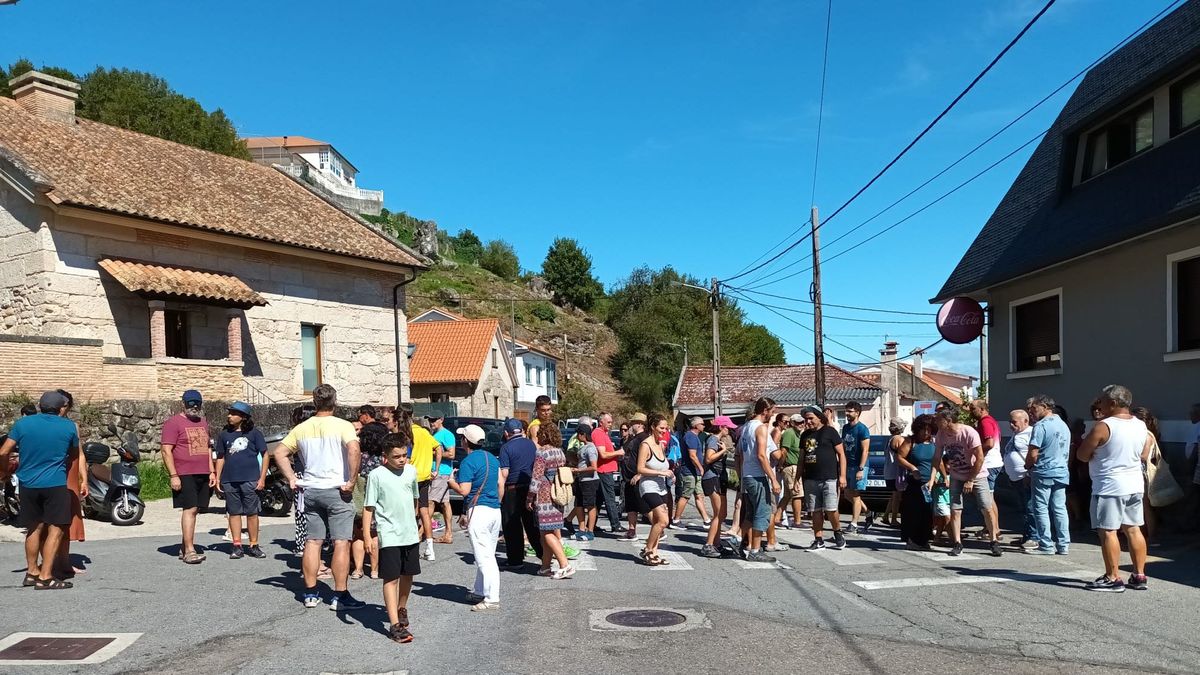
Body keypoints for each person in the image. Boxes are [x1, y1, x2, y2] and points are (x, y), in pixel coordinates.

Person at [273, 384, 365, 611]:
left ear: (315, 403)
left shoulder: (302, 428)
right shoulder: (343, 425)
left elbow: (279, 452)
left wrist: (292, 478)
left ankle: (311, 592)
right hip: (337, 489)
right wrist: (351, 481)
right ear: (335, 401)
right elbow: (354, 450)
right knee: (341, 542)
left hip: (311, 490)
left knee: (313, 542)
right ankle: (339, 594)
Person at [0, 391, 81, 589]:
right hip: (54, 484)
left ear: (40, 406)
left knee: (33, 528)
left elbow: (3, 451)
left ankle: (31, 572)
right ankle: (46, 576)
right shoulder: (68, 426)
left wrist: (4, 472)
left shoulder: (23, 424)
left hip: (28, 484)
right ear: (61, 407)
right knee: (57, 528)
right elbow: (73, 455)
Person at [1077, 385, 1152, 592]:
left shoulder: (1104, 426)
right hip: (1134, 484)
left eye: (1102, 401)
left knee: (1108, 531)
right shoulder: (1140, 425)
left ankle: (1113, 577)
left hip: (1109, 485)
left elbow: (1082, 455)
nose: (1099, 405)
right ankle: (1139, 574)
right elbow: (1144, 454)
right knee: (1134, 529)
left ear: (1113, 403)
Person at [363, 434, 421, 643]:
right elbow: (368, 507)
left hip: (410, 533)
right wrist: (368, 536)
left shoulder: (411, 471)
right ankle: (394, 625)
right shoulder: (376, 475)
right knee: (391, 578)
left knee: (409, 574)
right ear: (385, 456)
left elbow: (415, 498)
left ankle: (402, 607)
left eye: (404, 455)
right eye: (396, 456)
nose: (402, 460)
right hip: (389, 534)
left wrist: (417, 523)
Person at [929, 408, 1001, 557]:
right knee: (955, 510)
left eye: (938, 420)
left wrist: (971, 479)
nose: (935, 422)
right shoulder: (941, 434)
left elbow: (980, 457)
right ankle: (957, 543)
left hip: (977, 474)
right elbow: (937, 458)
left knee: (986, 508)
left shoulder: (968, 432)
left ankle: (994, 541)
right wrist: (932, 479)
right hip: (956, 475)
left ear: (948, 421)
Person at [449, 424, 502, 610]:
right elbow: (500, 485)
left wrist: (451, 482)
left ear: (465, 441)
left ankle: (491, 598)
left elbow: (464, 490)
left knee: (484, 557)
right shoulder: (492, 459)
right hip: (495, 510)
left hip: (479, 510)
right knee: (488, 553)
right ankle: (480, 590)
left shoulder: (468, 462)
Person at [161, 389, 215, 565]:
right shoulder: (173, 423)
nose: (194, 406)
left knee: (197, 508)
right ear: (183, 404)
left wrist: (212, 471)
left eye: (197, 403)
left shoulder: (203, 422)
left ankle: (185, 546)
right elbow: (166, 450)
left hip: (203, 472)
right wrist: (173, 475)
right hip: (184, 472)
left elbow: (207, 448)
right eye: (190, 403)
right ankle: (190, 550)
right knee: (190, 508)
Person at [214, 401, 269, 560]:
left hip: (251, 479)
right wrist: (218, 478)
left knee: (252, 513)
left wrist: (262, 477)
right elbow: (221, 457)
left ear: (243, 417)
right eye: (229, 413)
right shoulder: (224, 434)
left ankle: (254, 544)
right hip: (230, 480)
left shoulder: (254, 433)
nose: (229, 416)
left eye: (233, 413)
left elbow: (265, 454)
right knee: (234, 513)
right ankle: (237, 545)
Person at [1025, 395, 1072, 555]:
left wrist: (1028, 466)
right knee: (1059, 507)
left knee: (1041, 508)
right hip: (1061, 470)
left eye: (1034, 409)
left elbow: (1033, 452)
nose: (1032, 412)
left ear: (1045, 407)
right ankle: (1064, 543)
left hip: (1044, 470)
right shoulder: (1064, 425)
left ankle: (1046, 544)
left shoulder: (1041, 426)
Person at [737, 397, 781, 562]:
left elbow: (741, 453)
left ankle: (737, 539)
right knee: (762, 513)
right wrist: (773, 479)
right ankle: (755, 550)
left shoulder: (746, 426)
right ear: (765, 411)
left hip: (747, 473)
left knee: (751, 513)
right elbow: (762, 455)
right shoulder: (761, 428)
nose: (773, 414)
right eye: (772, 411)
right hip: (757, 475)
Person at [528, 424, 574, 579]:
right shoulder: (559, 452)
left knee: (547, 532)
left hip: (544, 496)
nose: (538, 436)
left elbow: (536, 477)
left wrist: (529, 497)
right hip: (558, 494)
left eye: (540, 433)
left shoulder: (542, 453)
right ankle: (545, 566)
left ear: (545, 435)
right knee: (546, 530)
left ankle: (564, 564)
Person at [799, 406, 847, 551]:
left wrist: (842, 475)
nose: (808, 422)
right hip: (810, 478)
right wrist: (797, 479)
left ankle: (837, 532)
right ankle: (818, 539)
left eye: (811, 418)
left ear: (819, 417)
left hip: (829, 478)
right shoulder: (805, 435)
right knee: (815, 510)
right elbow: (801, 459)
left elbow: (841, 455)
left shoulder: (830, 432)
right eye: (806, 419)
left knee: (831, 509)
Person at [498, 418, 542, 568]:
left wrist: (500, 496)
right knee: (532, 524)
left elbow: (504, 473)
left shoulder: (506, 448)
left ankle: (515, 560)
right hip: (530, 487)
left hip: (513, 489)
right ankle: (544, 555)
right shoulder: (530, 444)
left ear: (506, 433)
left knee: (512, 525)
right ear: (521, 431)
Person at [52, 389, 87, 580]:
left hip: (70, 475)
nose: (61, 408)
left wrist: (84, 478)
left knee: (68, 520)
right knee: (50, 520)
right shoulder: (46, 425)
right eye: (59, 404)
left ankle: (64, 564)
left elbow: (80, 453)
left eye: (65, 404)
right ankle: (50, 563)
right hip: (53, 474)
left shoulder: (72, 426)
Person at [397, 404, 439, 562]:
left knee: (409, 512)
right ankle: (430, 548)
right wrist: (436, 468)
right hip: (424, 476)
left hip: (409, 475)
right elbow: (438, 448)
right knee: (424, 511)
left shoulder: (404, 433)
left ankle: (409, 546)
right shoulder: (423, 431)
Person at [635, 413, 674, 566]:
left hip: (662, 487)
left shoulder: (660, 444)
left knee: (658, 521)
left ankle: (654, 553)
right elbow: (640, 468)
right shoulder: (646, 444)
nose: (664, 431)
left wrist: (669, 473)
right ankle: (647, 549)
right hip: (648, 487)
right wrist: (660, 472)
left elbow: (663, 466)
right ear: (653, 427)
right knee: (664, 520)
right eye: (661, 428)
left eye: (666, 428)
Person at [896, 415, 936, 550]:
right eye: (923, 430)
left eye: (929, 430)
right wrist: (912, 468)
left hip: (929, 484)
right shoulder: (910, 442)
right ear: (917, 429)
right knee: (914, 513)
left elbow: (938, 461)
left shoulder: (933, 442)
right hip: (914, 483)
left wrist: (938, 476)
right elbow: (900, 458)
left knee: (927, 513)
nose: (926, 433)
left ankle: (923, 540)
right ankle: (912, 540)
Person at [700, 416, 737, 558]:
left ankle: (716, 544)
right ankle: (708, 545)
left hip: (718, 477)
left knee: (722, 514)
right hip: (712, 477)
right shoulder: (713, 439)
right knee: (717, 513)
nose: (729, 430)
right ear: (721, 427)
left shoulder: (716, 440)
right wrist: (723, 451)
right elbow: (708, 458)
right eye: (727, 427)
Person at [968, 399, 1004, 541]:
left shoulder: (985, 422)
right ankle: (991, 527)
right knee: (989, 497)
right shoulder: (989, 421)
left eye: (973, 409)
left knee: (987, 499)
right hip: (992, 463)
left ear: (982, 409)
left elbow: (989, 443)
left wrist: (975, 452)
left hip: (988, 464)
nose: (971, 412)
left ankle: (994, 529)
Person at [1002, 408, 1036, 550]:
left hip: (1025, 478)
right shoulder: (1017, 434)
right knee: (1023, 509)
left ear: (1025, 421)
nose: (1011, 425)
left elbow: (1034, 455)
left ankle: (1034, 537)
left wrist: (1029, 474)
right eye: (1010, 422)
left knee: (1030, 508)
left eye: (1014, 422)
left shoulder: (1031, 434)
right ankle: (1026, 536)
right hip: (1015, 479)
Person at [841, 401, 874, 533]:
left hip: (859, 466)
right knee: (848, 494)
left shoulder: (862, 429)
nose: (847, 413)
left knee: (855, 494)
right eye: (846, 411)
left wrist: (861, 469)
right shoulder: (845, 428)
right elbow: (843, 446)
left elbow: (865, 450)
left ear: (857, 413)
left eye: (850, 411)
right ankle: (868, 512)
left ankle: (854, 524)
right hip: (848, 465)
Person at [1131, 407, 1161, 547]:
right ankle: (1144, 533)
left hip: (1143, 474)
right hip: (1138, 473)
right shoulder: (1140, 433)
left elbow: (1143, 456)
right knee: (1141, 507)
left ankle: (1152, 535)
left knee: (1146, 507)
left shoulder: (1147, 435)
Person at [673, 417, 711, 527]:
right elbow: (692, 455)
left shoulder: (695, 437)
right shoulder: (691, 437)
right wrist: (700, 467)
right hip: (690, 471)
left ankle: (706, 520)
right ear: (696, 425)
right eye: (702, 424)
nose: (704, 426)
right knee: (686, 495)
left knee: (699, 495)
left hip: (695, 472)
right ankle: (676, 520)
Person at [593, 412, 624, 535]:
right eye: (608, 422)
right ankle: (615, 524)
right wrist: (618, 453)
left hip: (606, 470)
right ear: (601, 422)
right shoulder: (598, 434)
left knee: (599, 500)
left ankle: (592, 524)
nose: (611, 424)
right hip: (604, 471)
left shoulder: (603, 434)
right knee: (610, 498)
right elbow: (603, 454)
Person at [568, 420, 599, 541]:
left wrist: (577, 470)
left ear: (583, 434)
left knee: (590, 505)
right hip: (581, 480)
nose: (577, 436)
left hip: (589, 481)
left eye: (578, 434)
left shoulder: (591, 448)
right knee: (579, 504)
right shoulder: (583, 447)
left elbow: (594, 467)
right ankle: (581, 529)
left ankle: (590, 531)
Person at [428, 414, 456, 545]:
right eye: (430, 420)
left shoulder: (447, 434)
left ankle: (423, 532)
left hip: (442, 472)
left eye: (434, 420)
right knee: (445, 503)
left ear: (441, 420)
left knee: (430, 501)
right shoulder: (434, 435)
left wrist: (434, 453)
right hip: (437, 472)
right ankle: (448, 534)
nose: (431, 422)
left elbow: (451, 453)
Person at [621, 415, 648, 539]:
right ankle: (632, 530)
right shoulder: (633, 438)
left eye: (634, 423)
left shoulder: (644, 439)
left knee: (645, 506)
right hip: (628, 478)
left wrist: (640, 473)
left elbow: (648, 458)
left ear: (640, 424)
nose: (631, 425)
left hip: (638, 477)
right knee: (631, 506)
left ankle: (660, 530)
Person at [778, 414, 804, 531]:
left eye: (802, 422)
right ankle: (797, 522)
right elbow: (784, 450)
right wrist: (780, 464)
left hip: (794, 466)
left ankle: (777, 518)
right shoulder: (789, 433)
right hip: (791, 466)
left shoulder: (798, 434)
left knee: (787, 495)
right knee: (797, 494)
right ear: (792, 423)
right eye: (798, 422)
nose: (801, 424)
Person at [881, 419, 905, 527]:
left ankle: (886, 515)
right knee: (897, 496)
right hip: (896, 471)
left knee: (893, 495)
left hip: (888, 471)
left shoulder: (890, 439)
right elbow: (904, 454)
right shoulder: (898, 439)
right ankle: (894, 519)